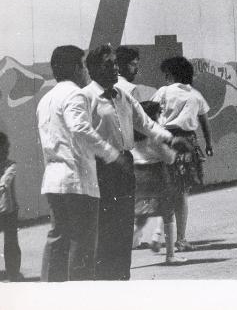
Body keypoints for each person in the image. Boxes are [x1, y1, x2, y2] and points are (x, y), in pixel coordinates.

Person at [75, 44, 190, 280]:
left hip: (124, 165)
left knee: (123, 226)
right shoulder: (85, 97)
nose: (115, 68)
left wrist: (171, 138)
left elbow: (145, 124)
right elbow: (80, 130)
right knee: (105, 228)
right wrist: (110, 154)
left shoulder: (123, 96)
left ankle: (121, 279)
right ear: (93, 69)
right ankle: (103, 283)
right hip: (100, 168)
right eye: (109, 64)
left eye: (116, 63)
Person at [37, 45, 102, 282]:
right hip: (78, 180)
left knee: (57, 239)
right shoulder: (76, 94)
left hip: (54, 181)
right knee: (82, 243)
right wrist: (110, 151)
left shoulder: (45, 99)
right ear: (76, 68)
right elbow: (80, 129)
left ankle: (49, 295)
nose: (87, 71)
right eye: (84, 66)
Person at [151, 56, 214, 253]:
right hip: (187, 143)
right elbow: (205, 122)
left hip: (164, 141)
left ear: (169, 74)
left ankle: (158, 234)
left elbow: (149, 114)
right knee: (182, 192)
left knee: (166, 188)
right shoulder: (196, 95)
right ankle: (181, 239)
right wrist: (209, 144)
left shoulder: (162, 91)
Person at [132, 101, 187, 265]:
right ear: (153, 116)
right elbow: (169, 158)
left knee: (141, 216)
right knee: (167, 215)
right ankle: (170, 255)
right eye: (158, 114)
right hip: (156, 174)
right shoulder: (155, 136)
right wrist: (175, 151)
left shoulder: (133, 134)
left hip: (138, 175)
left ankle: (121, 251)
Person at [0, 133, 22, 281]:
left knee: (11, 243)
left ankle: (13, 273)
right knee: (11, 242)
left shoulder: (11, 165)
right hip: (7, 210)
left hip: (8, 210)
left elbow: (4, 183)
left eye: (5, 148)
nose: (5, 151)